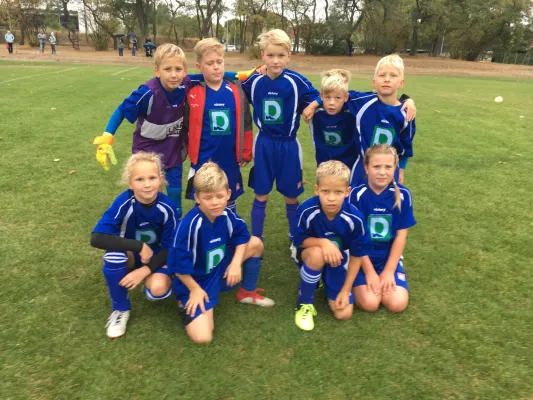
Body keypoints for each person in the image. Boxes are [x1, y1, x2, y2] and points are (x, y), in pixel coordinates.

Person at [168, 162, 275, 344]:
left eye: (219, 196)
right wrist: (195, 289)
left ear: (228, 194)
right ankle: (183, 302)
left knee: (255, 243)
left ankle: (247, 292)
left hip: (220, 269)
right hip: (197, 280)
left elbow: (242, 237)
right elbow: (178, 267)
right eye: (208, 197)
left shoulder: (226, 215)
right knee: (203, 337)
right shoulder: (189, 227)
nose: (215, 202)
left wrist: (235, 264)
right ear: (197, 197)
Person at [241, 29, 321, 249]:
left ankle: (296, 238)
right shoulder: (254, 81)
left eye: (280, 55)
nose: (276, 61)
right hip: (264, 143)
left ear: (289, 56)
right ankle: (256, 238)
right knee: (261, 193)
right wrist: (253, 71)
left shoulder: (296, 81)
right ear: (262, 56)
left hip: (288, 145)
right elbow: (233, 83)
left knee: (291, 195)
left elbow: (319, 95)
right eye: (270, 55)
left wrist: (312, 105)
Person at [93, 43, 191, 218]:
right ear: (157, 71)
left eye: (178, 69)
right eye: (167, 69)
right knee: (147, 191)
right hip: (146, 151)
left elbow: (209, 76)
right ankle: (142, 220)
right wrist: (107, 137)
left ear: (185, 71)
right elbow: (122, 110)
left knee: (175, 190)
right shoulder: (147, 93)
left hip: (172, 149)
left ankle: (175, 225)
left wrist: (239, 75)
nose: (174, 74)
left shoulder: (186, 84)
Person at [90, 152, 178, 338]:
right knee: (113, 256)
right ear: (130, 183)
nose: (147, 184)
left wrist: (145, 271)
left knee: (157, 290)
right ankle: (121, 309)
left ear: (161, 179)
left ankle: (153, 280)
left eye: (152, 178)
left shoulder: (167, 207)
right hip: (132, 254)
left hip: (157, 257)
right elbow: (96, 238)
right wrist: (139, 246)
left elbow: (171, 248)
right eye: (139, 179)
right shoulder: (124, 202)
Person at [293, 160, 370, 331]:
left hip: (338, 260)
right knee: (318, 254)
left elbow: (357, 254)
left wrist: (346, 289)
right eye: (325, 191)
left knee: (344, 314)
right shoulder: (307, 210)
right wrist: (323, 242)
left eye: (338, 192)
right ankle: (304, 303)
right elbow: (298, 240)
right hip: (308, 253)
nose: (331, 198)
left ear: (347, 192)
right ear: (316, 190)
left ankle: (325, 281)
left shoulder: (355, 218)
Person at [186, 38, 253, 215]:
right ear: (199, 66)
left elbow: (246, 122)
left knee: (229, 199)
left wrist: (245, 151)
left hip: (230, 158)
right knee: (204, 198)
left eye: (219, 62)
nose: (216, 67)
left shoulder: (236, 90)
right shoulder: (192, 90)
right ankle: (202, 237)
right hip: (203, 159)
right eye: (210, 63)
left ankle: (230, 234)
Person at [348, 144, 416, 313]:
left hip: (388, 258)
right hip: (361, 257)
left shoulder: (403, 195)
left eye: (388, 167)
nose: (382, 172)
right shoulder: (356, 196)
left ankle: (387, 276)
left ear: (395, 168)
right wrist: (370, 272)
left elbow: (401, 236)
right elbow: (354, 240)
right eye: (376, 166)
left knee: (397, 304)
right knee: (370, 303)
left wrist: (388, 271)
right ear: (366, 168)